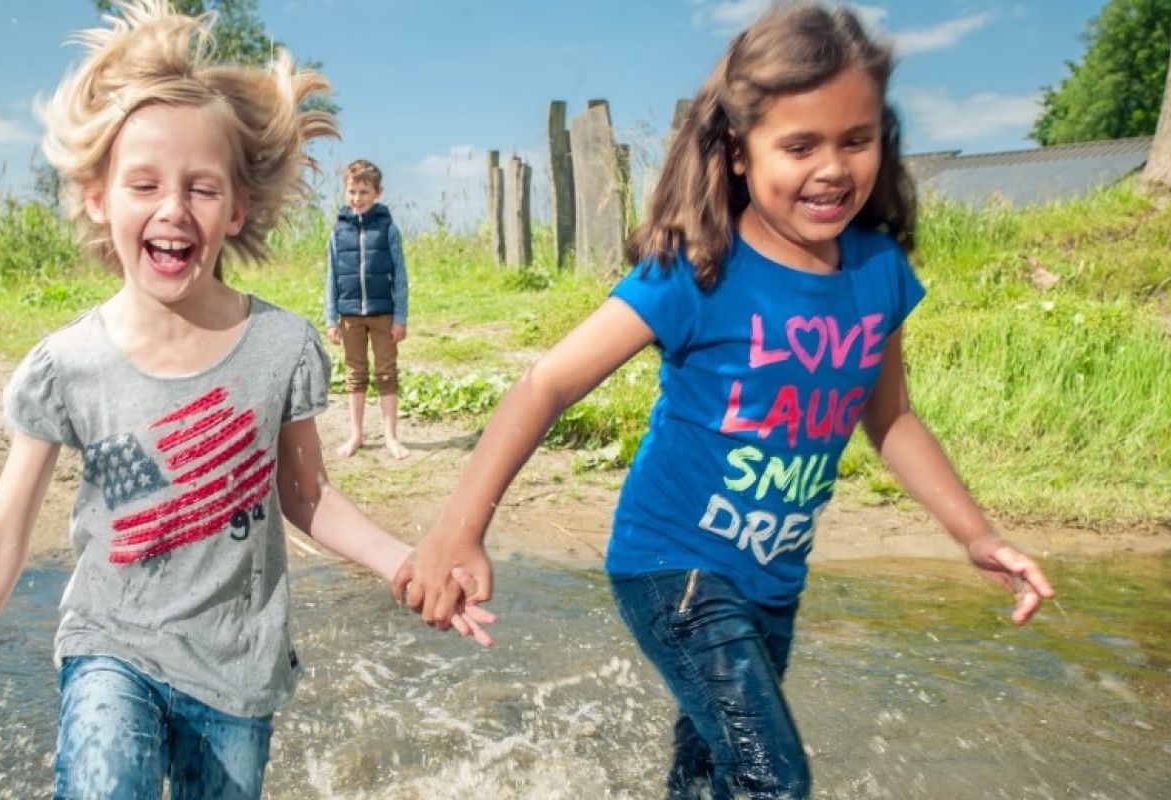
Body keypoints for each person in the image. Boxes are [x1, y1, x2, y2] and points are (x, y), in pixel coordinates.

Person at [0, 3, 491, 798]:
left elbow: (306, 496)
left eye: (202, 188)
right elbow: (0, 540)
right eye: (145, 184)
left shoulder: (280, 348)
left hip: (239, 669)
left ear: (235, 209)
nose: (173, 209)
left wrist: (405, 564)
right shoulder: (66, 366)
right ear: (100, 197)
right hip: (112, 648)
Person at [396, 4, 1054, 798]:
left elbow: (892, 419)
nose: (832, 168)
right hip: (670, 567)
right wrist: (459, 528)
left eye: (856, 139)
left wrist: (974, 535)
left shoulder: (877, 273)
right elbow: (549, 381)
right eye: (799, 145)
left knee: (710, 774)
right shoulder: (696, 269)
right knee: (774, 778)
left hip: (773, 583)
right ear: (739, 152)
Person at [323, 159, 412, 460]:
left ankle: (390, 436)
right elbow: (330, 277)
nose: (357, 198)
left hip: (383, 314)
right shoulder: (338, 232)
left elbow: (400, 275)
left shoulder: (388, 228)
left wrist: (400, 317)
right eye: (352, 191)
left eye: (364, 191)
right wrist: (331, 318)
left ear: (377, 192)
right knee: (355, 374)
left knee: (386, 373)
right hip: (350, 316)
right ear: (345, 191)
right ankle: (356, 435)